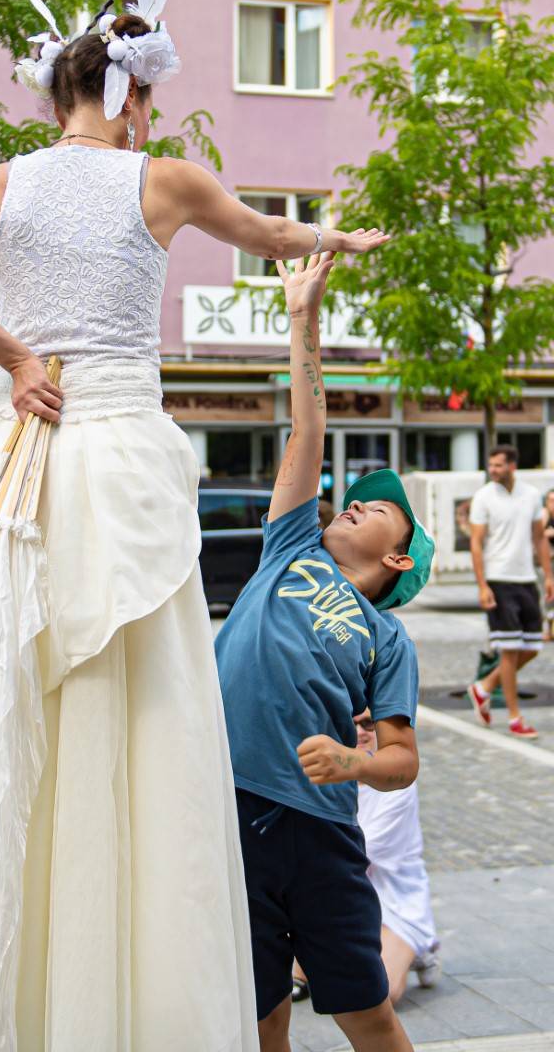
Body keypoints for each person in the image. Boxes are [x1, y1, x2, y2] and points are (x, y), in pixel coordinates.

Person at [0, 0, 389, 1052]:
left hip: (14, 465)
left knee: (2, 714)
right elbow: (271, 234)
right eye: (150, 101)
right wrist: (337, 239)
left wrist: (9, 351)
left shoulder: (1, 182)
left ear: (61, 92)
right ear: (130, 93)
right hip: (116, 463)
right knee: (130, 725)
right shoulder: (163, 179)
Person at [215, 250, 434, 1052]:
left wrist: (353, 762)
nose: (357, 505)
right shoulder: (290, 547)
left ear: (398, 557)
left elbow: (403, 761)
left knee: (365, 1013)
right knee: (260, 1015)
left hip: (319, 831)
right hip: (231, 807)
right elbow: (309, 428)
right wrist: (302, 316)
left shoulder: (387, 636)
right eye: (355, 499)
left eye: (379, 510)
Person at [292, 710, 440, 1008]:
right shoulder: (322, 777)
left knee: (379, 993)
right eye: (352, 722)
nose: (360, 731)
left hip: (393, 901)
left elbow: (360, 851)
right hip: (337, 896)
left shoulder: (396, 784)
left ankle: (418, 951)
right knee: (295, 979)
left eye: (369, 724)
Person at [467, 446, 554, 739]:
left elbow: (539, 538)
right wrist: (482, 585)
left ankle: (484, 687)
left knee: (533, 646)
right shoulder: (483, 497)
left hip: (527, 579)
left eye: (498, 465)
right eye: (490, 465)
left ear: (512, 466)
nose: (492, 470)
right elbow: (476, 543)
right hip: (498, 580)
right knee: (510, 650)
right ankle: (515, 718)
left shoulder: (531, 495)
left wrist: (548, 576)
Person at [542, 489, 554, 641]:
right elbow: (538, 535)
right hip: (546, 564)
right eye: (550, 500)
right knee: (547, 597)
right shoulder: (543, 516)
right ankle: (548, 629)